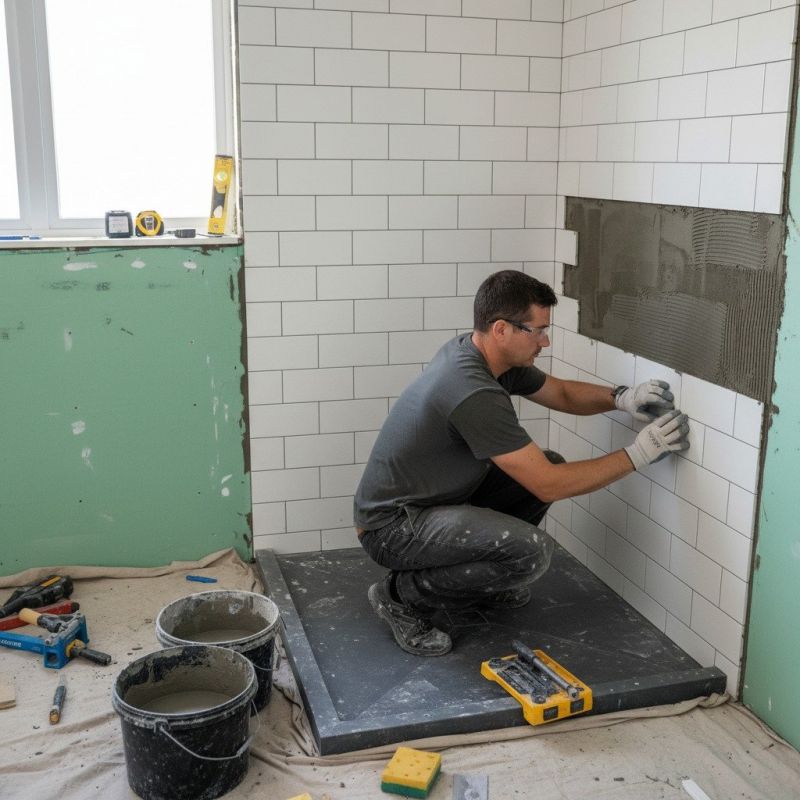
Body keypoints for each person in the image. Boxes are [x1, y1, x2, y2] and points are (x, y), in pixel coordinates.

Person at [354, 269, 690, 657]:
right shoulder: (472, 390)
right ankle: (399, 596)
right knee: (530, 551)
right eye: (538, 330)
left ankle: (481, 582)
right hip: (392, 527)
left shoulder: (480, 354)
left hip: (430, 502)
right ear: (501, 329)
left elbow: (561, 393)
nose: (545, 341)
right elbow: (551, 484)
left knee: (548, 462)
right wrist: (639, 453)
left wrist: (622, 397)